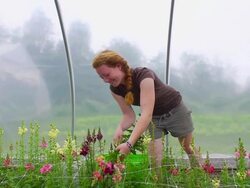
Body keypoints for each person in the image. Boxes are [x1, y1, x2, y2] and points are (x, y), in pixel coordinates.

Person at [92, 49, 200, 168]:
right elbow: (129, 115)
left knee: (187, 147)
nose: (106, 80)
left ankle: (200, 173)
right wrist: (120, 128)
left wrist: (128, 144)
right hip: (154, 118)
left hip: (175, 111)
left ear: (118, 66)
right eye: (102, 77)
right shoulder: (115, 89)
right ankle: (158, 183)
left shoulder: (143, 75)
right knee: (154, 161)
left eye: (107, 75)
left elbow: (146, 114)